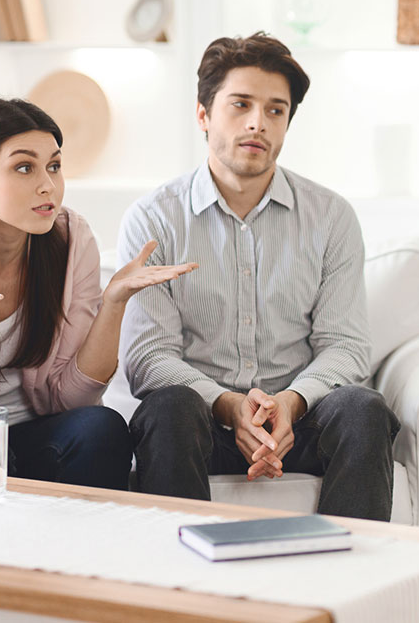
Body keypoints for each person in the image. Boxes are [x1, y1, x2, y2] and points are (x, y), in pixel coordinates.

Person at [118, 32, 400, 520]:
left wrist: (290, 404)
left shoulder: (330, 217)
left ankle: (352, 582)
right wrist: (228, 406)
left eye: (275, 110)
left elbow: (346, 346)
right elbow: (148, 358)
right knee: (168, 410)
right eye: (240, 105)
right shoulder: (153, 220)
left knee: (363, 409)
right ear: (203, 115)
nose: (257, 123)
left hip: (300, 421)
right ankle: (178, 588)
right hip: (202, 424)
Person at [0, 98, 197, 490]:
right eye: (24, 167)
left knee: (101, 427)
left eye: (55, 166)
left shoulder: (71, 239)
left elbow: (72, 400)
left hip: (30, 434)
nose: (48, 184)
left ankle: (81, 551)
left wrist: (113, 302)